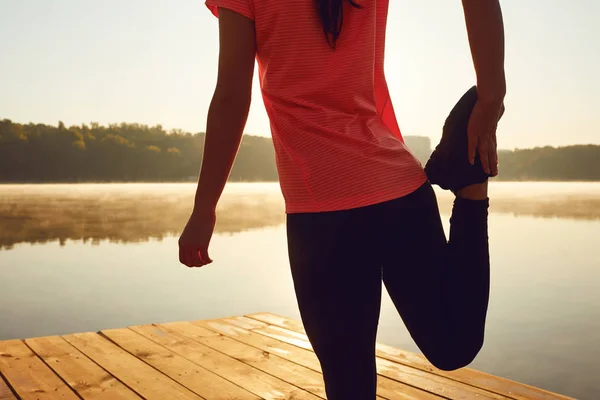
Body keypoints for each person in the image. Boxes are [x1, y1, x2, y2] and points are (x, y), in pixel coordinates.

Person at [178, 0, 506, 398]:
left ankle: (469, 178)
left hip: (320, 210)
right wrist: (490, 97)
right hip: (395, 190)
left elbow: (232, 96)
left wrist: (204, 209)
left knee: (348, 385)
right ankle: (470, 181)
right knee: (454, 343)